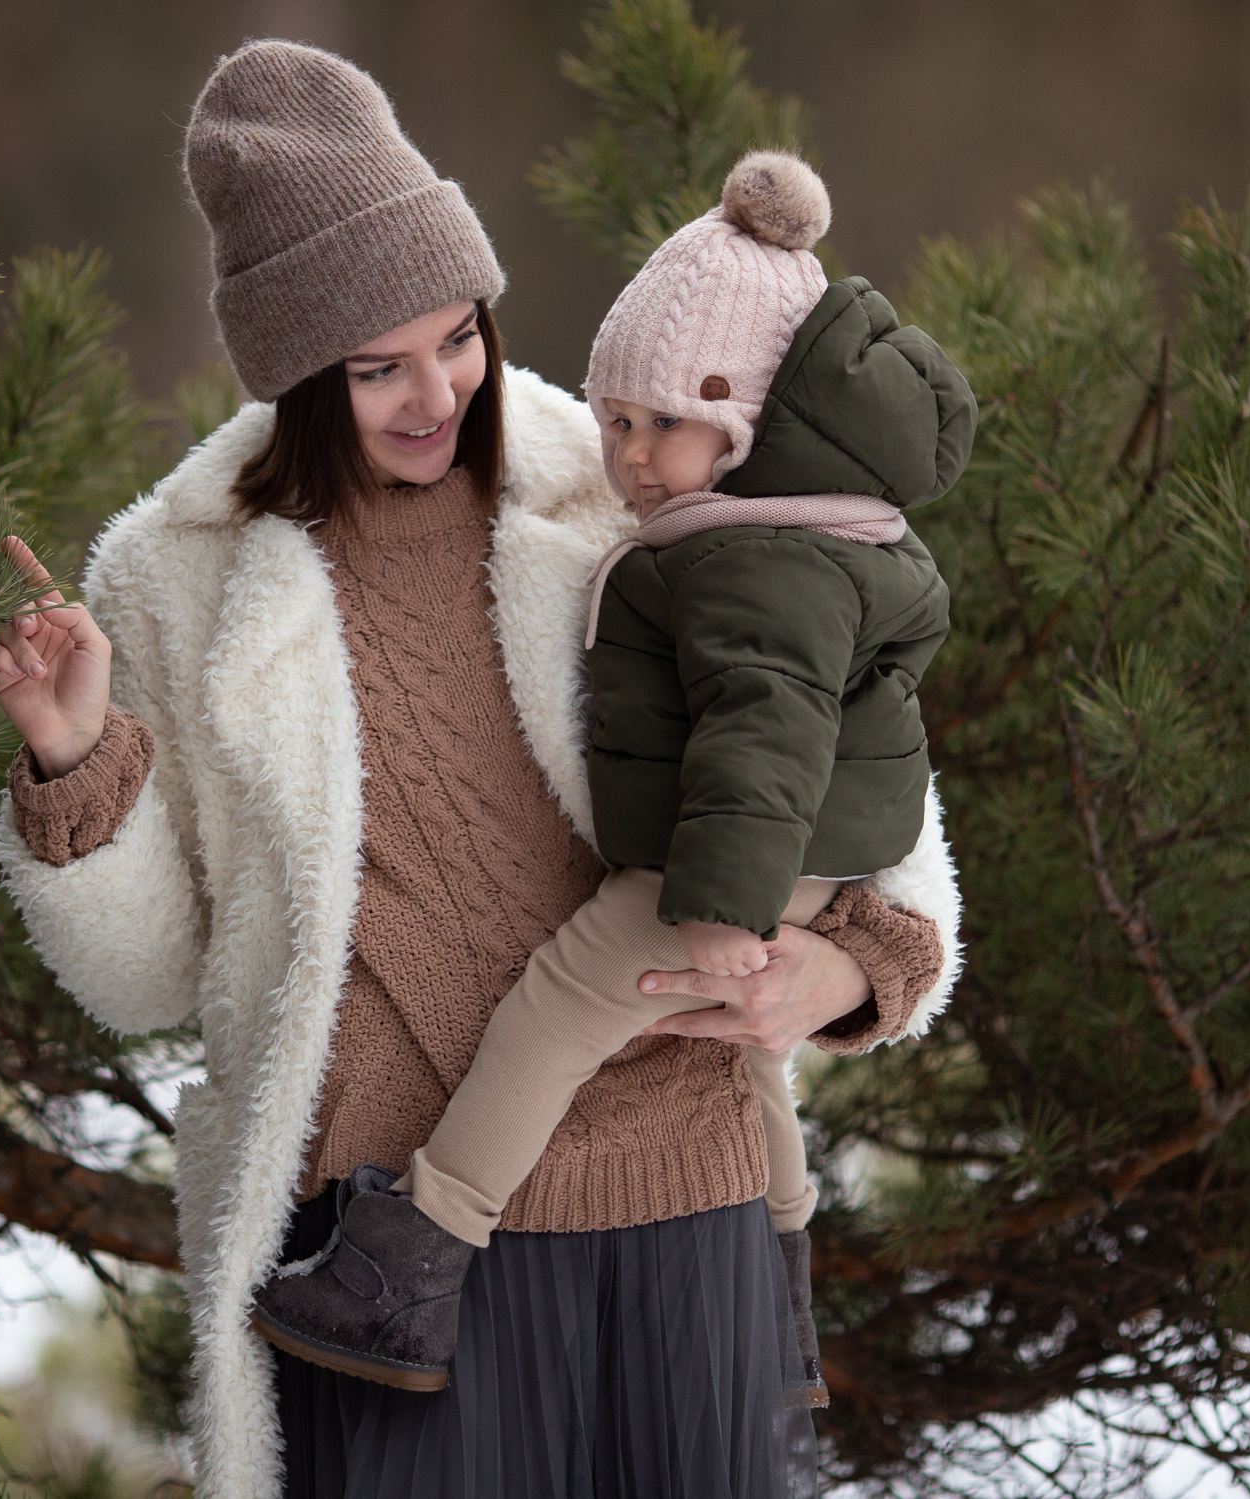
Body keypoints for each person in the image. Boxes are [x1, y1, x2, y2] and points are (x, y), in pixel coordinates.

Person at [0, 38, 964, 1499]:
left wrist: (852, 972)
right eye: (376, 367)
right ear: (294, 370)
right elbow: (146, 978)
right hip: (386, 1269)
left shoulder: (618, 473)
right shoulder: (174, 579)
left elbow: (862, 782)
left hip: (679, 1202)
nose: (436, 392)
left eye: (459, 337)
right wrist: (73, 764)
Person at [246, 150, 974, 1409]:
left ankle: (413, 1259)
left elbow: (767, 732)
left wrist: (729, 906)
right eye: (616, 419)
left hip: (744, 870)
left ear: (745, 423)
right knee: (751, 1060)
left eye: (662, 426)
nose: (627, 455)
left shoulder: (755, 561)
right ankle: (783, 1297)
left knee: (560, 1002)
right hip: (783, 865)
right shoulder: (780, 525)